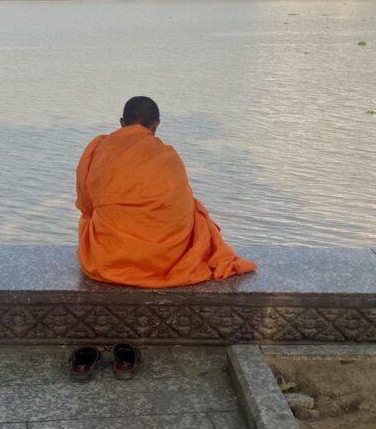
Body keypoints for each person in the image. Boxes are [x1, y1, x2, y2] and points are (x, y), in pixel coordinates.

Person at [75, 96, 257, 289]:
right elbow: (182, 207)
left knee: (90, 217)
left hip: (109, 260)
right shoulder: (168, 155)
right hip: (167, 259)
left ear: (122, 123)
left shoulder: (100, 148)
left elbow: (86, 204)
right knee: (195, 211)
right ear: (156, 124)